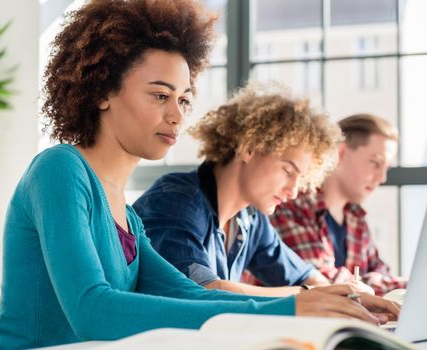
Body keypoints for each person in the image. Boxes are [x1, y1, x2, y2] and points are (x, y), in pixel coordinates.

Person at [0, 2, 398, 349]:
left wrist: (314, 304)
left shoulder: (127, 213)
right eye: (159, 95)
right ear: (102, 90)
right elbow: (92, 310)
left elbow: (189, 295)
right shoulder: (60, 170)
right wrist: (293, 308)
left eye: (184, 99)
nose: (177, 115)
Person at [134, 83, 388, 301]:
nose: (293, 191)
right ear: (249, 148)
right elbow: (204, 292)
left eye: (301, 178)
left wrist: (349, 294)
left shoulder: (250, 219)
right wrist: (309, 295)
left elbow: (303, 275)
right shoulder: (176, 201)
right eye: (288, 171)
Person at [269, 114, 407, 296]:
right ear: (341, 154)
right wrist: (402, 286)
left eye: (386, 168)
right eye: (375, 163)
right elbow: (321, 282)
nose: (382, 178)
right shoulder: (292, 205)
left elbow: (380, 270)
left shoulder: (355, 216)